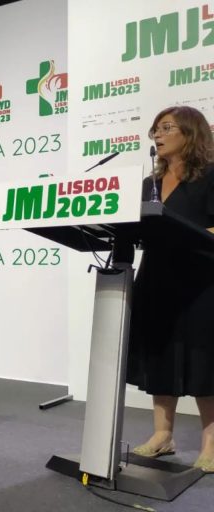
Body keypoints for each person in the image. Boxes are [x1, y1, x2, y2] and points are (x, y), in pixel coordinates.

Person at [127, 106, 214, 473]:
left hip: (201, 281)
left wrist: (189, 235)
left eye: (166, 128)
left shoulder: (210, 176)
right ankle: (163, 435)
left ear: (190, 133)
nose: (158, 135)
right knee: (161, 355)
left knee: (204, 360)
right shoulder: (151, 181)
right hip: (157, 278)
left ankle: (211, 444)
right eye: (155, 130)